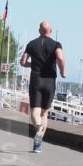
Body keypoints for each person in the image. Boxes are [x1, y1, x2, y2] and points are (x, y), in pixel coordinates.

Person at [20, 22, 66, 153]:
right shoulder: (56, 44)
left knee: (35, 112)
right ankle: (38, 144)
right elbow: (60, 58)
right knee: (44, 113)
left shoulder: (31, 44)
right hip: (50, 81)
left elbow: (23, 62)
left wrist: (33, 64)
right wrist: (62, 71)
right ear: (50, 30)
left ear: (39, 30)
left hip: (36, 79)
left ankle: (39, 129)